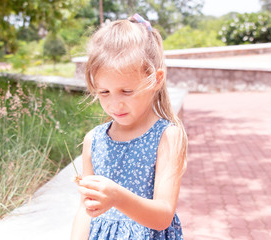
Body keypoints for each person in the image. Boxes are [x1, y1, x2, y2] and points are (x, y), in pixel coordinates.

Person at [71, 13, 188, 240]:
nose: (115, 103)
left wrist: (118, 197)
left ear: (156, 79)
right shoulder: (93, 140)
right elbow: (86, 210)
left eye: (127, 91)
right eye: (103, 92)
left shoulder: (167, 136)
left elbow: (163, 216)